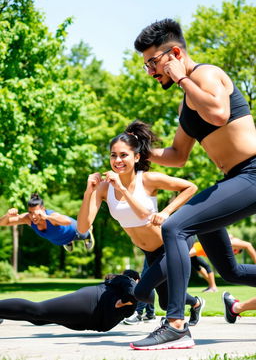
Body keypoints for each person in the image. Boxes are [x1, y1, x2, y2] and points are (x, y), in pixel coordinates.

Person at [130, 18, 256, 350]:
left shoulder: (205, 75)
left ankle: (175, 325)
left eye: (153, 63)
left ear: (174, 53)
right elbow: (177, 155)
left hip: (253, 173)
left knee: (175, 227)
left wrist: (182, 77)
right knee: (230, 270)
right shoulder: (187, 102)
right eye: (147, 66)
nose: (151, 72)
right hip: (237, 178)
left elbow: (218, 113)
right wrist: (140, 152)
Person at [77, 119, 205, 331]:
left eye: (123, 155)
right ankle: (196, 303)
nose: (117, 160)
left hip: (170, 244)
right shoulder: (103, 188)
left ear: (136, 157)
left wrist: (165, 212)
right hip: (150, 252)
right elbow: (82, 228)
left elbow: (190, 187)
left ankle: (175, 325)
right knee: (164, 303)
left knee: (142, 292)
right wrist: (88, 191)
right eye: (113, 155)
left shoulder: (147, 179)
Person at [0, 270, 142, 332]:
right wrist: (124, 300)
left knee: (39, 319)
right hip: (90, 303)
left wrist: (125, 302)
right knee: (38, 311)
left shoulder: (131, 298)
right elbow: (130, 290)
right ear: (137, 280)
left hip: (89, 319)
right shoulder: (129, 282)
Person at [0, 193, 95, 252]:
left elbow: (67, 221)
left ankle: (88, 234)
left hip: (75, 231)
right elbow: (3, 223)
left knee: (84, 233)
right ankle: (68, 242)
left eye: (35, 212)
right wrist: (7, 215)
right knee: (60, 239)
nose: (33, 216)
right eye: (30, 212)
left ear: (43, 209)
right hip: (60, 240)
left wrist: (47, 217)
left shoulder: (51, 215)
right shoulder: (27, 218)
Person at [123, 257, 156, 324]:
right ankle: (150, 314)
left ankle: (138, 313)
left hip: (157, 249)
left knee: (146, 280)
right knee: (149, 280)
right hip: (153, 250)